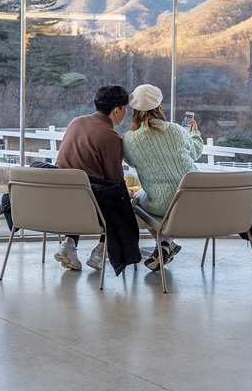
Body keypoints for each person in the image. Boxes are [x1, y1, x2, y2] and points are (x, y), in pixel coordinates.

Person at [122, 84, 203, 271]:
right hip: (196, 199)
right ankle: (165, 245)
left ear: (134, 111)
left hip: (161, 205)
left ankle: (163, 244)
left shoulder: (129, 140)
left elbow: (131, 161)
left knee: (137, 200)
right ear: (159, 108)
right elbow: (196, 152)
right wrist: (194, 133)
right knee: (163, 197)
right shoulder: (175, 130)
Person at [53, 85, 130, 271]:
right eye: (126, 109)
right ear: (117, 110)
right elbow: (115, 181)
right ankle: (100, 252)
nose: (127, 113)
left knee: (79, 188)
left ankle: (69, 244)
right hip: (88, 205)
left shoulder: (75, 122)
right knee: (119, 201)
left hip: (58, 197)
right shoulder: (111, 137)